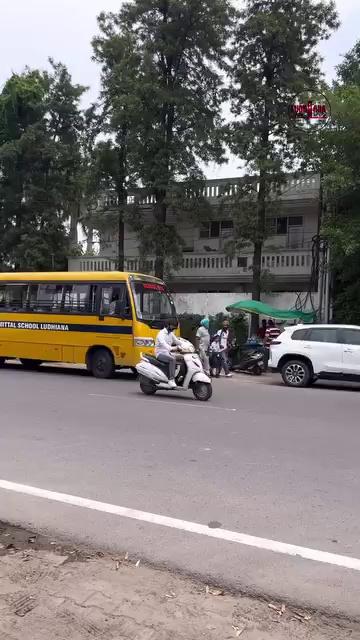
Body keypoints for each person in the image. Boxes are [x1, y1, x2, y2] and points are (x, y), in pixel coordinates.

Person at [155, 322, 181, 388]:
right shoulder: (161, 333)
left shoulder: (171, 333)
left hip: (168, 353)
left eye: (175, 327)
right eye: (173, 326)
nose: (174, 328)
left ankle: (178, 376)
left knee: (182, 358)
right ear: (168, 325)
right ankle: (171, 380)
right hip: (160, 353)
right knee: (172, 360)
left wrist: (185, 345)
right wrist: (173, 348)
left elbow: (177, 341)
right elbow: (164, 344)